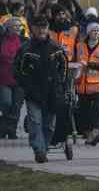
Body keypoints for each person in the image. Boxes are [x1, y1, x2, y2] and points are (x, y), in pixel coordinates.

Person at [13, 16, 67, 163]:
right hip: (33, 93)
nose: (42, 30)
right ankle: (39, 150)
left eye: (44, 27)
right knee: (35, 121)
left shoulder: (55, 48)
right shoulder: (26, 49)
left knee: (49, 125)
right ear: (33, 29)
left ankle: (44, 147)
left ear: (48, 28)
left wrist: (60, 83)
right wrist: (26, 85)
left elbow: (64, 66)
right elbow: (17, 70)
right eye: (39, 27)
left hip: (52, 92)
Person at [75, 21, 99, 145]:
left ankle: (95, 133)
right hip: (83, 85)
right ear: (88, 32)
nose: (96, 33)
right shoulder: (79, 46)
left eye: (97, 30)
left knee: (97, 110)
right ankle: (88, 133)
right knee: (84, 111)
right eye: (93, 30)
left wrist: (89, 64)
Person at [0, 18, 26, 139]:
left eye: (19, 26)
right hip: (4, 78)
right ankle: (4, 126)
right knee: (6, 103)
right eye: (15, 26)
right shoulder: (2, 40)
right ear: (8, 27)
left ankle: (11, 130)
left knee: (16, 106)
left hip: (20, 80)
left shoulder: (24, 41)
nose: (18, 28)